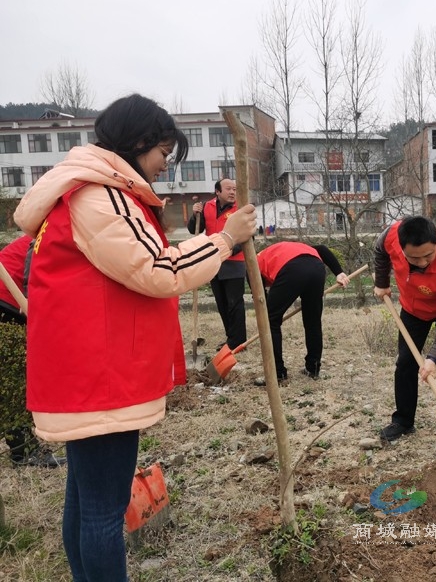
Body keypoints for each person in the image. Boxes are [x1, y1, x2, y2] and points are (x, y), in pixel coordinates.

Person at [13, 93, 257, 581]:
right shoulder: (99, 196)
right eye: (163, 154)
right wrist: (225, 239)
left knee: (86, 502)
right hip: (99, 379)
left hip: (88, 374)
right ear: (138, 142)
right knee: (102, 512)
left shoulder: (90, 193)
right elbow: (157, 268)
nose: (164, 166)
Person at [373, 216, 436, 456]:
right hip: (413, 308)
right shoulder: (390, 236)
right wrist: (382, 282)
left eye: (428, 255)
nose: (423, 262)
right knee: (405, 362)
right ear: (402, 247)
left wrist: (433, 357)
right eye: (414, 258)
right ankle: (403, 421)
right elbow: (379, 251)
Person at [0, 235, 66, 467]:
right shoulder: (56, 237)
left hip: (12, 296)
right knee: (16, 378)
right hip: (7, 299)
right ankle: (23, 451)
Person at [256, 242, 350, 381]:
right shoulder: (291, 247)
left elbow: (260, 298)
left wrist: (271, 314)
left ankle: (277, 373)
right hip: (316, 268)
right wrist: (339, 272)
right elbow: (322, 248)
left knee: (270, 320)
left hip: (291, 270)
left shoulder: (254, 265)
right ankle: (313, 368)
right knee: (313, 321)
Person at [187, 178, 247, 350]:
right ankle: (231, 337)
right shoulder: (207, 206)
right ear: (218, 191)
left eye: (234, 189)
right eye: (228, 189)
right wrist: (195, 215)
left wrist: (227, 250)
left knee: (235, 303)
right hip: (214, 261)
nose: (232, 192)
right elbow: (194, 229)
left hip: (234, 262)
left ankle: (238, 341)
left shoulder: (239, 209)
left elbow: (245, 237)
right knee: (222, 303)